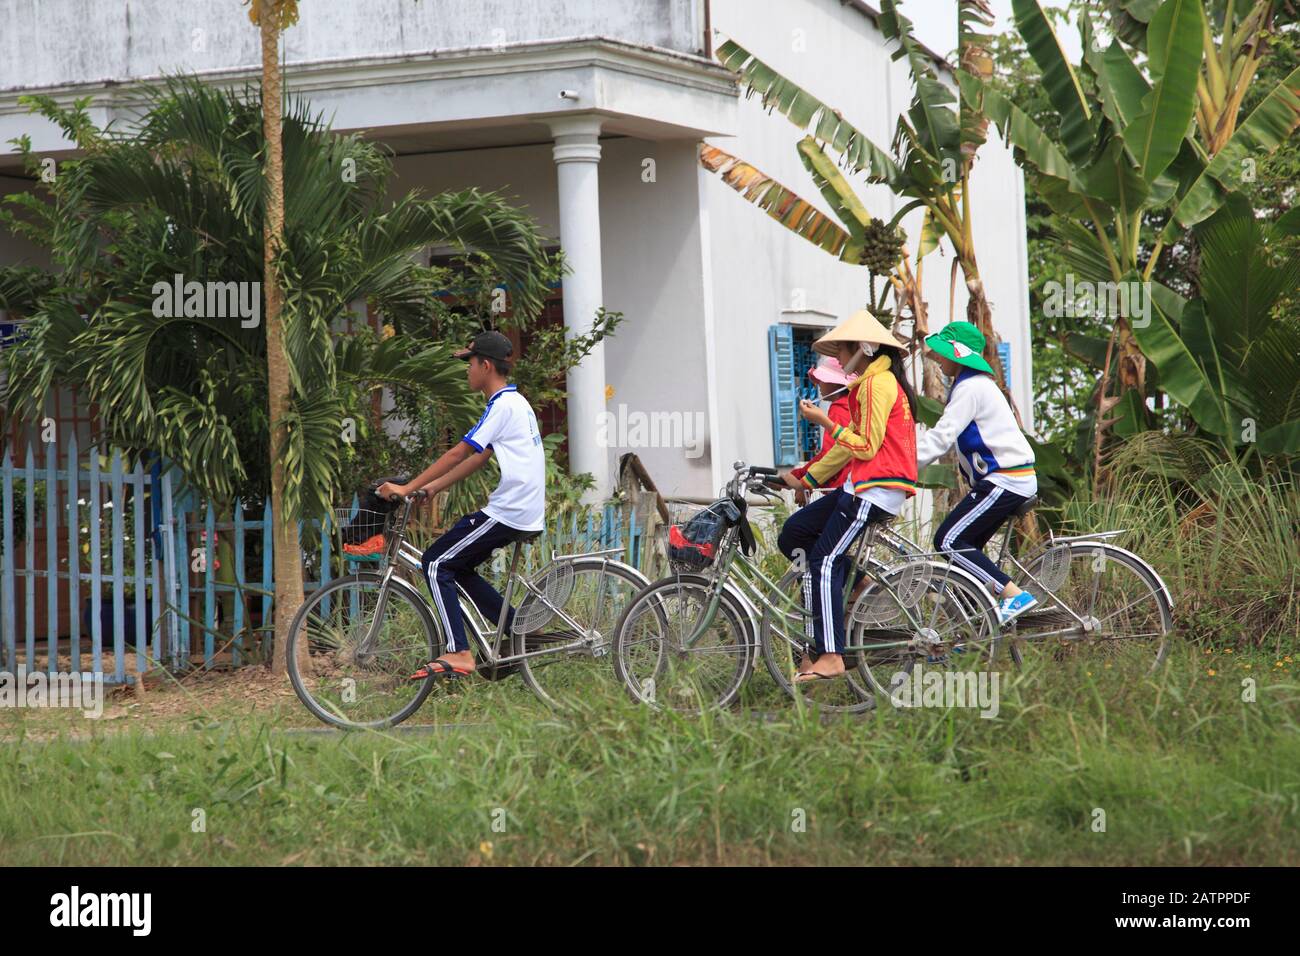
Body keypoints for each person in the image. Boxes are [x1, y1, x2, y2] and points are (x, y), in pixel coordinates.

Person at [377, 330, 545, 679]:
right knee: (458, 567)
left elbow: (460, 451)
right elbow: (480, 456)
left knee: (435, 562)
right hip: (520, 508)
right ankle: (518, 630)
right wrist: (433, 488)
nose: (466, 370)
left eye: (469, 363)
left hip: (510, 509)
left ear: (485, 365)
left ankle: (460, 652)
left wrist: (409, 486)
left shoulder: (502, 405)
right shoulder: (513, 403)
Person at [777, 310, 919, 683]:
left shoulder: (877, 385)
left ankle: (831, 654)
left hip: (874, 487)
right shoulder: (870, 383)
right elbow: (845, 450)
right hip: (861, 485)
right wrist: (804, 479)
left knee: (823, 560)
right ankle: (822, 628)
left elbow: (866, 446)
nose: (838, 359)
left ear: (862, 349)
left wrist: (825, 423)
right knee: (795, 534)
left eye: (841, 350)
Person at [915, 320, 1038, 626]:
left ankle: (1014, 596)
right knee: (965, 552)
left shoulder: (970, 388)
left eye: (943, 354)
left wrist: (902, 465)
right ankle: (972, 627)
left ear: (957, 356)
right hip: (1006, 480)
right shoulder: (972, 385)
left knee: (948, 541)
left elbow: (941, 437)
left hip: (1005, 480)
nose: (939, 359)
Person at [788, 356, 855, 505]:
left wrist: (804, 481)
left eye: (822, 379)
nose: (818, 384)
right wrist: (798, 475)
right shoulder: (850, 406)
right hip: (851, 485)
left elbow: (830, 454)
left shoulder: (838, 409)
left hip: (842, 488)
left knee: (796, 526)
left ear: (836, 384)